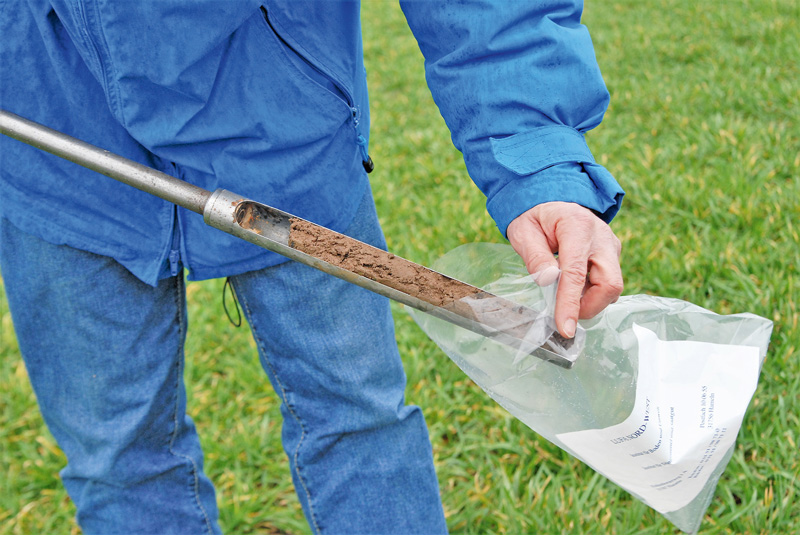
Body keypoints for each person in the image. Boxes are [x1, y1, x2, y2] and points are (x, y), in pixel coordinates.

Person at [0, 1, 624, 533]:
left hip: (282, 128)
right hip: (49, 142)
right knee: (115, 460)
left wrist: (538, 158)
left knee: (358, 421)